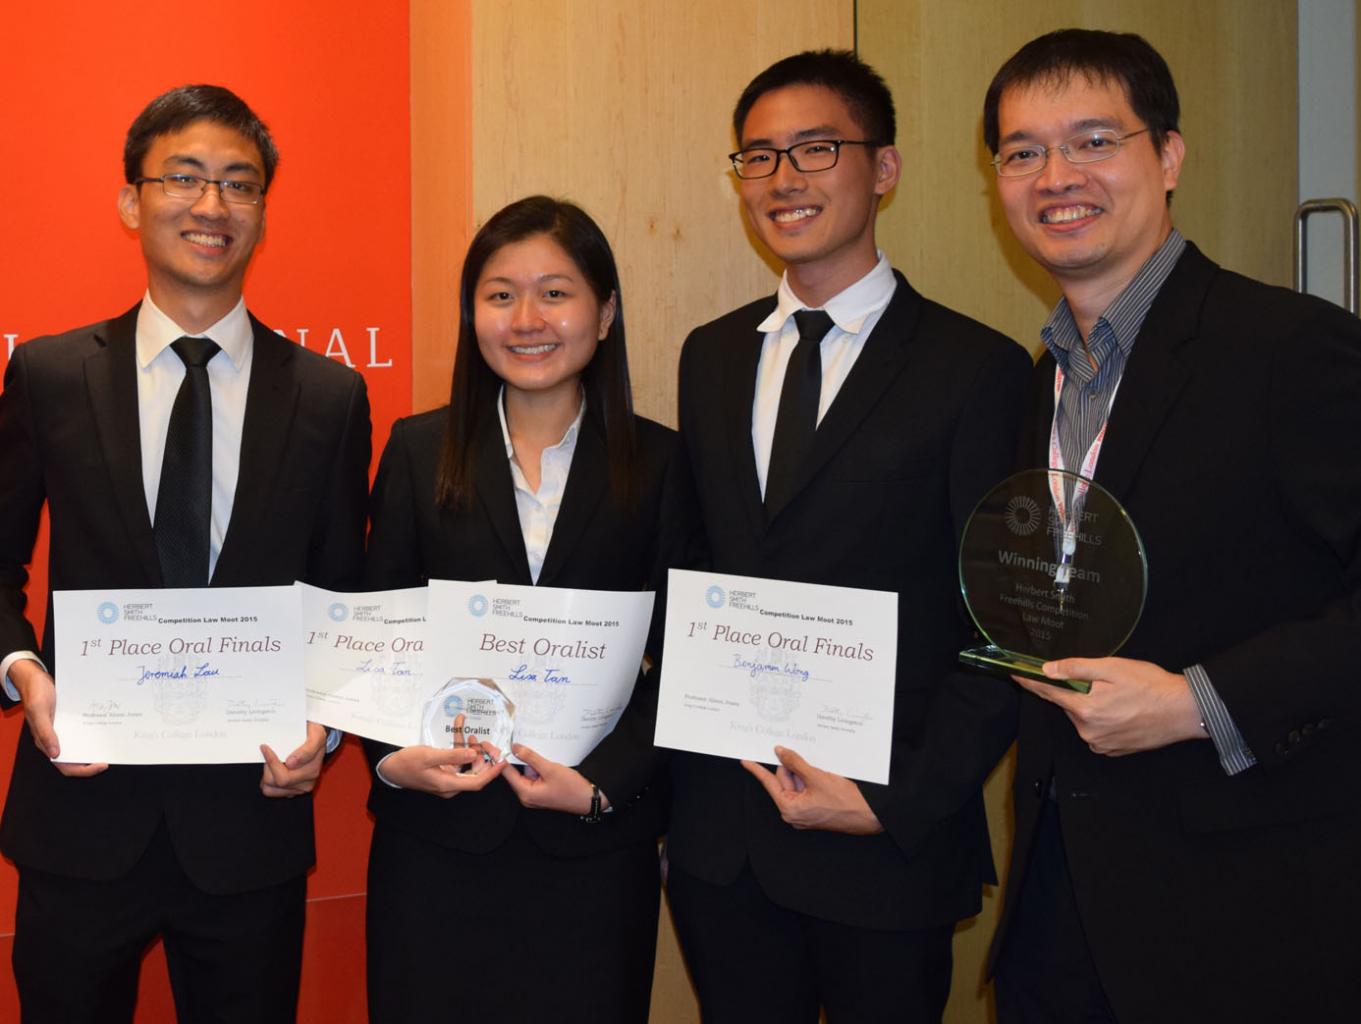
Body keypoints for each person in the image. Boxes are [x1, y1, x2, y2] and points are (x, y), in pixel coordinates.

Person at [981, 28, 1361, 1023]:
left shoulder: (1293, 349)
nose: (1055, 176)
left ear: (1168, 155)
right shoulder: (1040, 378)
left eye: (1092, 141)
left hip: (1241, 920)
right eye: (1021, 152)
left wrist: (1200, 701)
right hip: (1059, 907)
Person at [667, 50, 1031, 1023]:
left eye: (815, 148)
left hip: (882, 839)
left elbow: (1008, 623)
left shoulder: (978, 370)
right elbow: (697, 569)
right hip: (724, 845)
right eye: (758, 156)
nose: (782, 178)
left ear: (884, 169)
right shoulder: (710, 357)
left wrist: (898, 799)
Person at [0, 85, 370, 1022]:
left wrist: (324, 730)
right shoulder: (49, 375)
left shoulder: (328, 397)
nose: (212, 205)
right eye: (184, 178)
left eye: (239, 184)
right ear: (132, 201)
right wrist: (24, 673)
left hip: (250, 821)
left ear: (261, 214)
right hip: (80, 815)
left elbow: (344, 600)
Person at [362, 195, 692, 1023]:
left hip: (592, 845)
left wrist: (604, 787)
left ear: (604, 313)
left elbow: (687, 659)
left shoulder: (662, 464)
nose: (526, 320)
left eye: (555, 292)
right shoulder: (416, 451)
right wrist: (392, 757)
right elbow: (372, 636)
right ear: (471, 314)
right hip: (436, 841)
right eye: (500, 295)